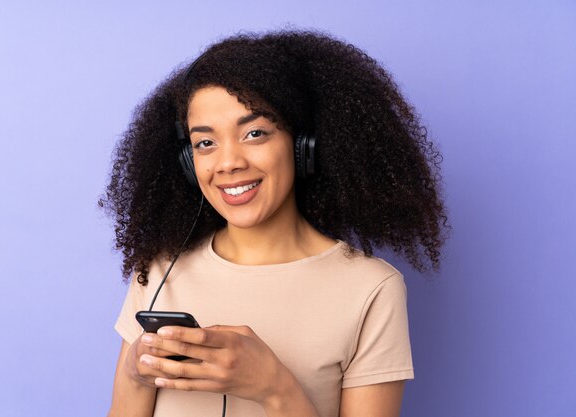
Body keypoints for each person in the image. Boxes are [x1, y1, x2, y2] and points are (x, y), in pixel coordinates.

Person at [100, 30, 449, 417]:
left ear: (302, 147)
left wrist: (273, 388)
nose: (228, 162)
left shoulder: (372, 290)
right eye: (205, 143)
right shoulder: (159, 271)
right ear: (188, 162)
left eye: (254, 133)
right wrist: (135, 373)